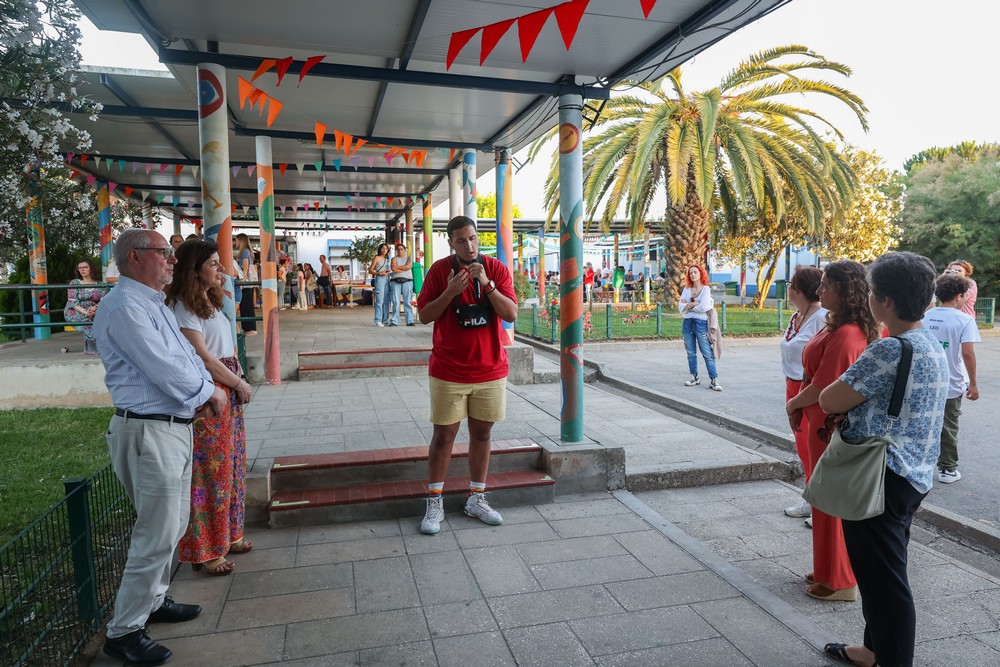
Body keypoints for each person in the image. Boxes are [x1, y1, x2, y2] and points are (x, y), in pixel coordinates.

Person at [93, 229, 226, 666]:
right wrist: (210, 394)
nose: (173, 260)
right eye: (164, 253)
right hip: (150, 431)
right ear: (135, 257)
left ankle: (155, 600)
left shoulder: (152, 302)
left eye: (171, 255)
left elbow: (187, 359)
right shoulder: (124, 308)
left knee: (174, 524)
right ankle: (125, 630)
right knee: (156, 534)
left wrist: (204, 391)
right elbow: (164, 369)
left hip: (173, 427)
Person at [818, 252, 948, 667]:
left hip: (881, 477)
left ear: (885, 301)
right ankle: (872, 649)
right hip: (913, 475)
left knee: (886, 584)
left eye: (873, 292)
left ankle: (890, 660)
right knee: (881, 574)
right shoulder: (931, 343)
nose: (870, 298)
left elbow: (829, 398)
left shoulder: (890, 348)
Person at [415, 216, 518, 534]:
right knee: (444, 436)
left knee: (483, 434)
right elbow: (423, 316)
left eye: (473, 238)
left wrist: (486, 285)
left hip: (490, 369)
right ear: (451, 243)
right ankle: (435, 500)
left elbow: (510, 314)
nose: (469, 245)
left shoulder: (495, 269)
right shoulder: (439, 270)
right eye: (461, 240)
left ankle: (477, 497)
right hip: (449, 370)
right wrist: (449, 293)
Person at [786, 260, 878, 602]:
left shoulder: (847, 332)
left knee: (829, 499)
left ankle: (839, 578)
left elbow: (826, 386)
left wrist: (794, 403)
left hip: (826, 422)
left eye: (826, 285)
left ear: (844, 290)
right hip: (818, 419)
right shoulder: (835, 324)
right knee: (820, 497)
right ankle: (827, 567)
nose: (819, 290)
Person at [165, 240, 253, 577]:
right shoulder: (183, 307)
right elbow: (202, 357)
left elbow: (225, 347)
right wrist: (237, 383)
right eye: (214, 263)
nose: (221, 269)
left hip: (227, 384)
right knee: (209, 473)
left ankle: (228, 535)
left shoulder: (210, 301)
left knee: (231, 465)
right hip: (210, 390)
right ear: (194, 268)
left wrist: (238, 377)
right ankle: (203, 549)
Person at [779, 266, 827, 520]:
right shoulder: (796, 315)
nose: (788, 288)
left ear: (798, 289)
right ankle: (811, 497)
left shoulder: (823, 317)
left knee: (814, 445)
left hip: (810, 388)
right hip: (792, 384)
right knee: (802, 446)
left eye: (790, 284)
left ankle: (817, 502)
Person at [923, 273, 980, 484]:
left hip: (924, 383)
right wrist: (973, 383)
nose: (966, 299)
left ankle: (923, 465)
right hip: (951, 384)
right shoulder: (964, 320)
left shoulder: (925, 316)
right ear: (958, 296)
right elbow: (968, 353)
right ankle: (947, 470)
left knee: (924, 424)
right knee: (948, 426)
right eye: (965, 295)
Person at [678, 265, 721, 391]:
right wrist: (695, 304)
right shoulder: (686, 289)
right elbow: (680, 307)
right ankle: (694, 377)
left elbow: (704, 308)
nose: (693, 275)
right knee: (691, 352)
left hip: (701, 324)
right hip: (687, 323)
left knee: (707, 353)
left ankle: (714, 379)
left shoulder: (706, 289)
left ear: (700, 274)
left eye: (695, 272)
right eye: (691, 273)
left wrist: (689, 306)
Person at [64, 258, 107, 354]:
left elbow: (104, 299)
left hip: (95, 310)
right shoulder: (74, 283)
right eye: (80, 268)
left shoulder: (101, 284)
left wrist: (95, 308)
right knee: (89, 324)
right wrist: (85, 312)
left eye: (85, 267)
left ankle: (93, 348)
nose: (82, 270)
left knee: (104, 321)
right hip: (76, 311)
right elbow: (72, 302)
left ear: (91, 268)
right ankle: (99, 348)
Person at [233, 233, 257, 335]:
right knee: (247, 304)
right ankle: (249, 328)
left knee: (246, 304)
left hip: (245, 281)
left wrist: (243, 280)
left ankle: (249, 328)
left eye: (236, 240)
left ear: (240, 241)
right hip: (249, 282)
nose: (235, 242)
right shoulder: (249, 251)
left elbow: (245, 268)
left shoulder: (244, 252)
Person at [388, 243, 415, 326]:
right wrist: (404, 268)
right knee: (396, 302)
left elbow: (408, 267)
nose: (400, 251)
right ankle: (394, 321)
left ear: (405, 250)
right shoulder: (393, 259)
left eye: (401, 249)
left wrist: (398, 267)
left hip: (407, 281)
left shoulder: (409, 258)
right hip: (395, 281)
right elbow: (393, 269)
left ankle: (410, 321)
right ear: (396, 250)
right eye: (398, 249)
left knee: (407, 301)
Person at [368, 243, 391, 326]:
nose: (384, 250)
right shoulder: (377, 257)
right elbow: (370, 270)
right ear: (380, 249)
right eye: (382, 248)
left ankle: (385, 319)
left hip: (387, 279)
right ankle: (378, 320)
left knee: (386, 300)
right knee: (379, 300)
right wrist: (379, 273)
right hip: (380, 278)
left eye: (386, 248)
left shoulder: (388, 258)